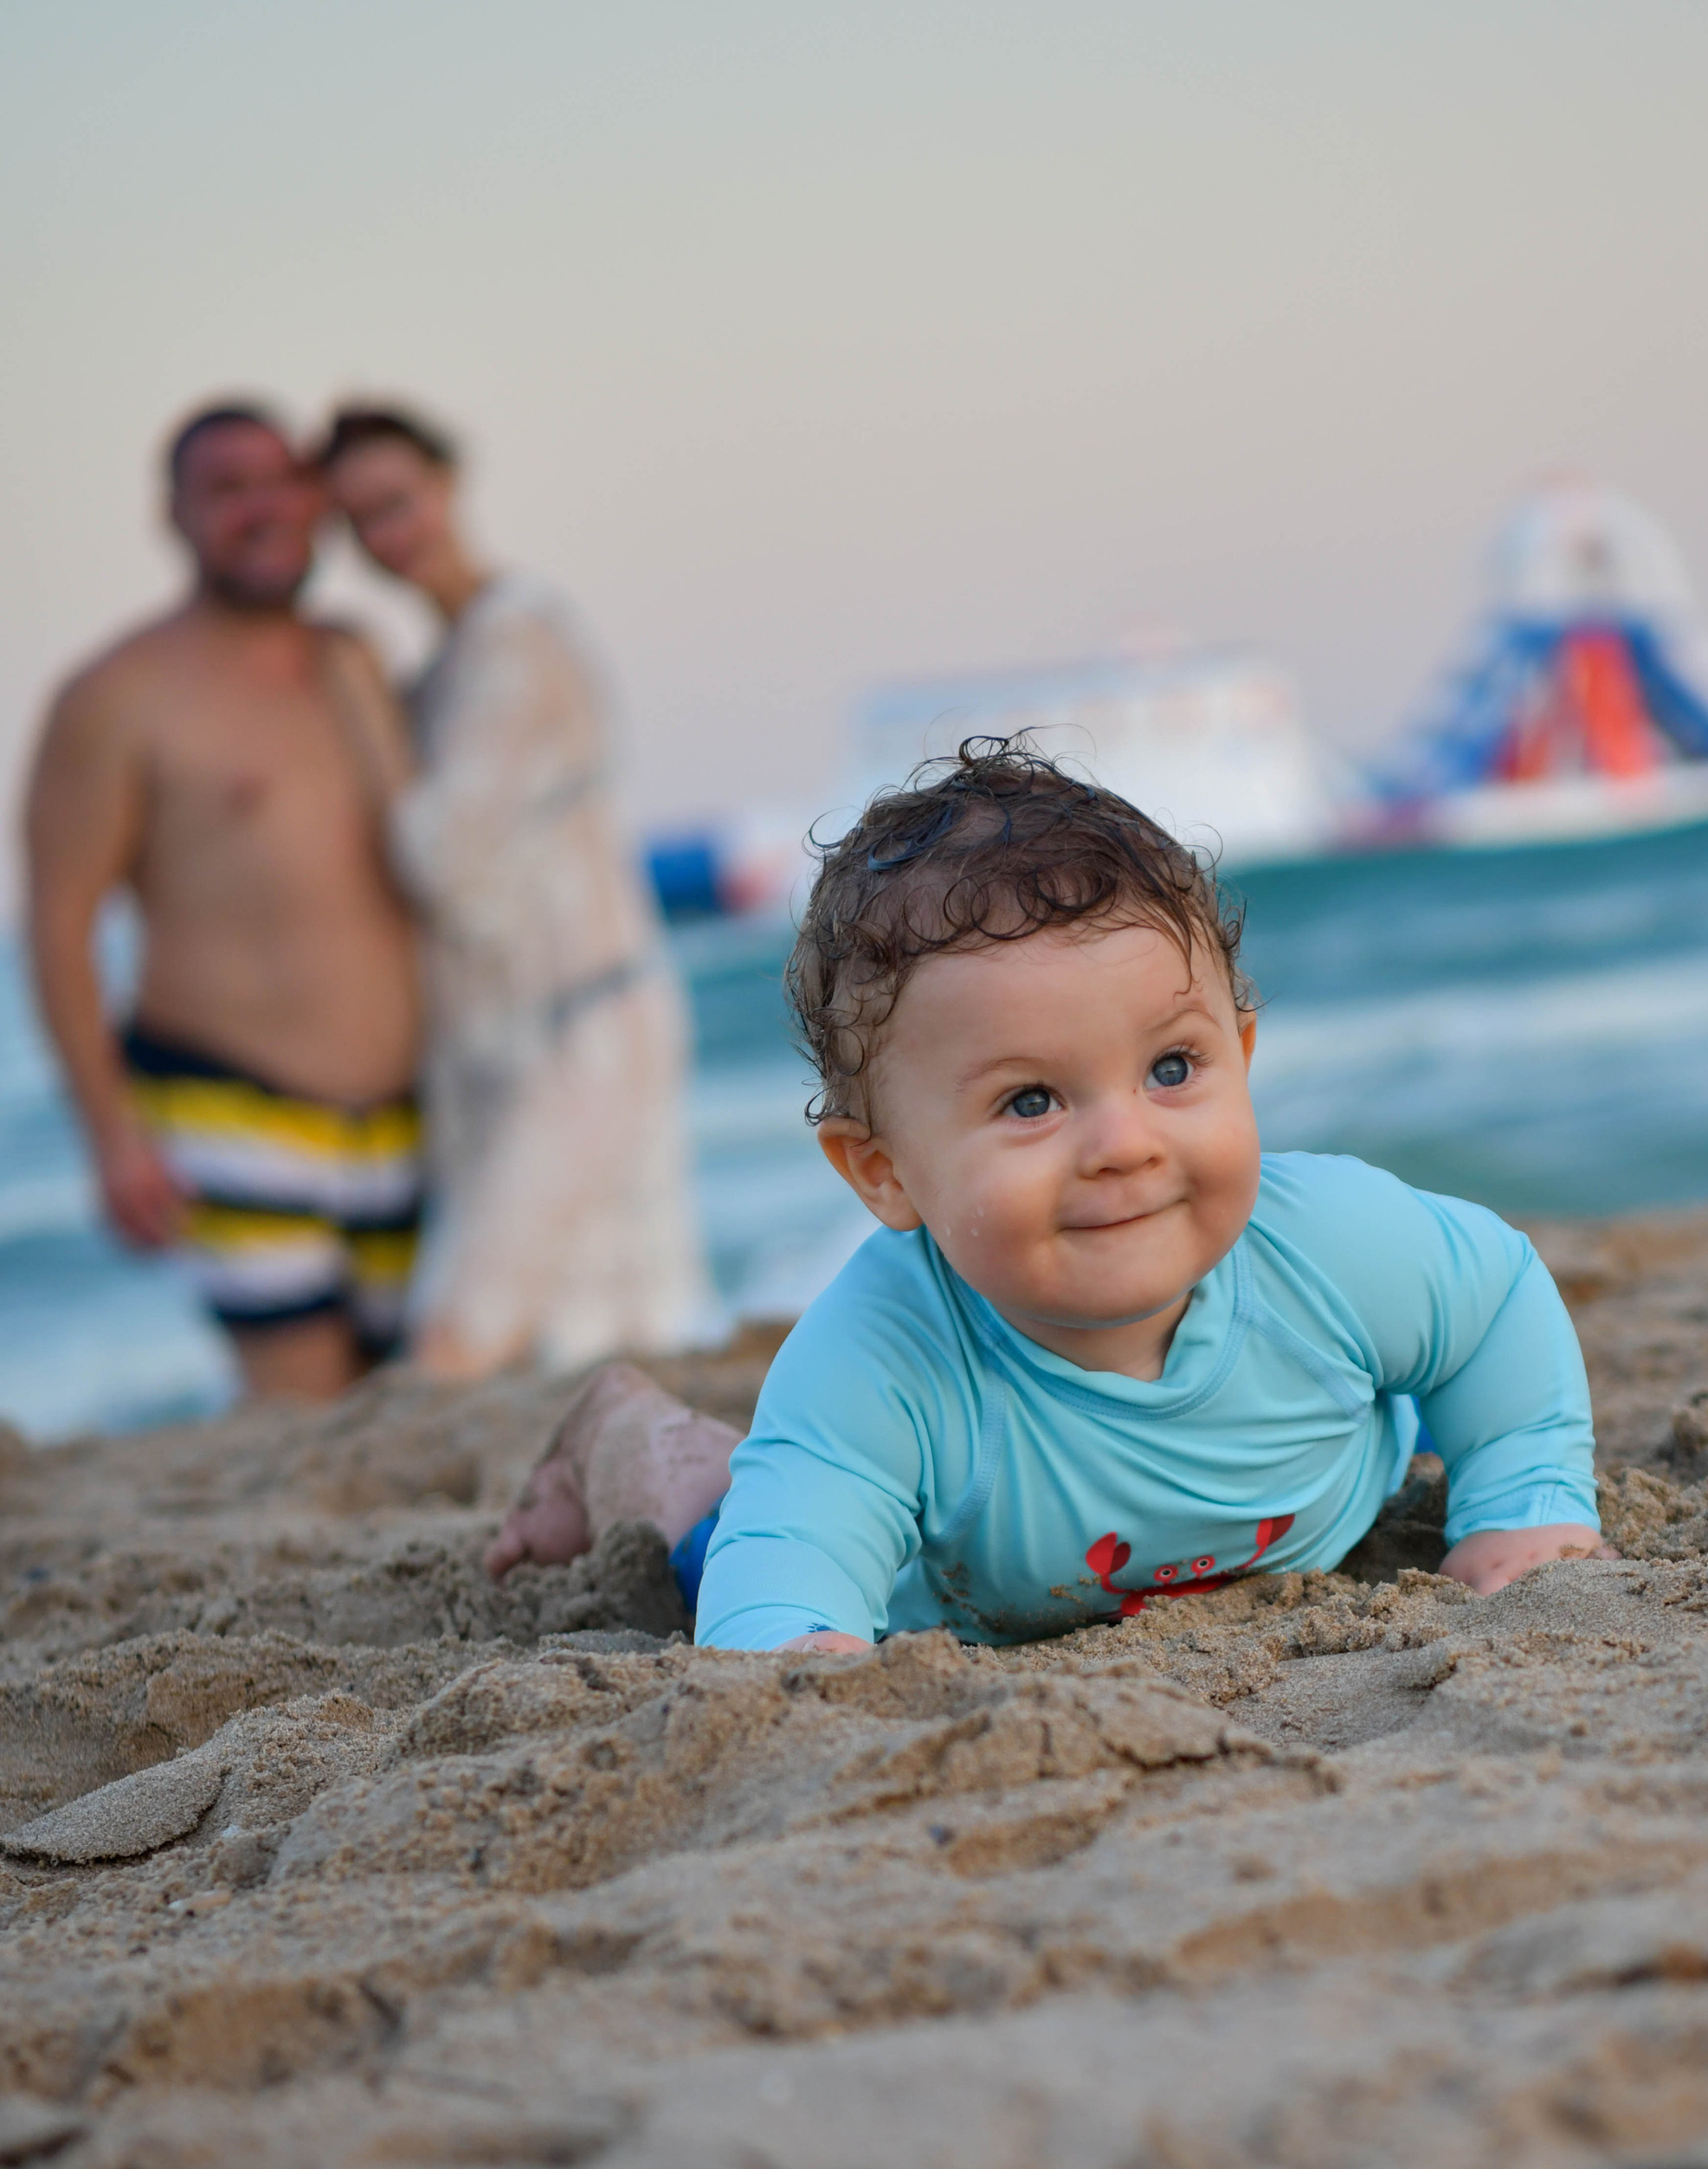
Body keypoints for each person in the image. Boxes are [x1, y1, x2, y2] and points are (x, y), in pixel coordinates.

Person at [488, 742, 1608, 1647]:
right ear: (883, 1172)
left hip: (1294, 1523)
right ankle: (638, 1440)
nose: (1123, 1143)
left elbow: (1493, 1307)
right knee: (720, 1529)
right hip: (958, 1603)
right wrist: (797, 1649)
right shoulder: (880, 1357)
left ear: (1243, 1052)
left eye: (1173, 1070)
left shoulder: (1331, 1246)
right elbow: (787, 1580)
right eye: (1031, 1102)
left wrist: (1523, 1502)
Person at [23, 402, 422, 1403]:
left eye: (282, 479)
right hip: (232, 1105)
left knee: (403, 1393)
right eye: (227, 488)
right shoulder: (118, 694)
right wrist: (111, 1136)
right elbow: (58, 926)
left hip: (410, 1114)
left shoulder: (356, 661)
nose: (263, 508)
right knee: (303, 1414)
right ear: (176, 516)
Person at [318, 403, 709, 1377]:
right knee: (580, 1339)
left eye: (398, 501)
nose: (386, 533)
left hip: (584, 1025)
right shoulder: (450, 665)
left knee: (469, 1328)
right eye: (359, 519)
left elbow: (444, 861)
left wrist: (365, 702)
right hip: (513, 1041)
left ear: (446, 485)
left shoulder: (516, 638)